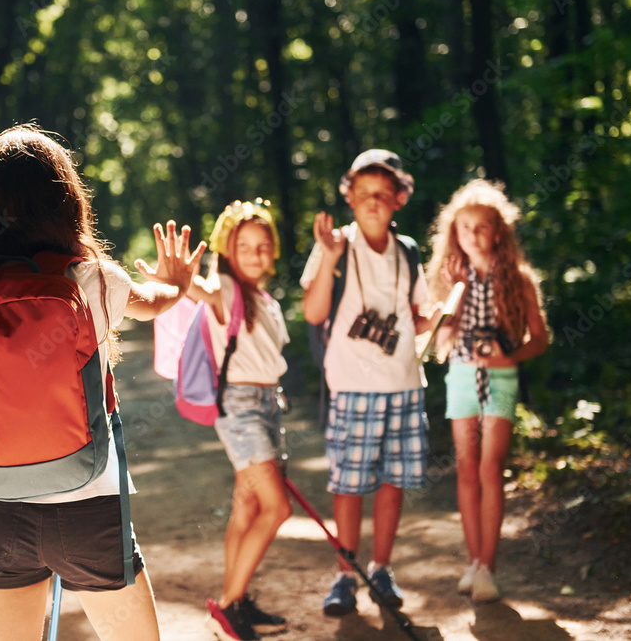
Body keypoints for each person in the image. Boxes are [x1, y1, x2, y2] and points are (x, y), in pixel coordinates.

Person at [0, 123, 206, 641]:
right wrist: (177, 282)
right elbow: (157, 302)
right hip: (90, 511)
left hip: (1, 518)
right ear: (66, 204)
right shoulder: (93, 281)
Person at [147, 199, 292, 641]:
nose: (255, 253)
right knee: (277, 507)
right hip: (242, 409)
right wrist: (177, 279)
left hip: (268, 406)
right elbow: (201, 291)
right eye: (243, 245)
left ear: (274, 249)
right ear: (228, 250)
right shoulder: (225, 289)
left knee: (247, 508)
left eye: (263, 245)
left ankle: (237, 603)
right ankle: (229, 609)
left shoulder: (266, 301)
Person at [300, 149, 434, 617]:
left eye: (382, 193)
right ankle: (345, 574)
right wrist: (331, 255)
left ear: (399, 198)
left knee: (394, 482)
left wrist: (433, 318)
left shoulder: (409, 251)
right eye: (362, 193)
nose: (372, 202)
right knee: (350, 484)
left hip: (403, 384)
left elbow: (416, 319)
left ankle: (381, 568)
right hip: (352, 384)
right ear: (349, 198)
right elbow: (314, 312)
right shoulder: (335, 244)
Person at [424, 178, 548, 602]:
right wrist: (451, 300)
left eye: (481, 227)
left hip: (501, 380)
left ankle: (489, 567)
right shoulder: (447, 280)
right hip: (460, 376)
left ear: (498, 231)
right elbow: (438, 339)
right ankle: (474, 562)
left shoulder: (518, 280)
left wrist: (508, 357)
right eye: (464, 228)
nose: (472, 235)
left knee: (490, 468)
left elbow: (540, 339)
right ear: (453, 234)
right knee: (465, 467)